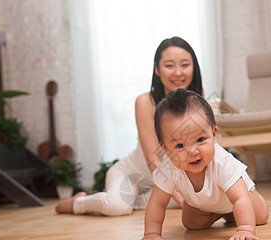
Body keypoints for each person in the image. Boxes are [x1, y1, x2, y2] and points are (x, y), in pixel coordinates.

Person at [55, 36, 203, 216]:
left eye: (185, 65)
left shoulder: (199, 100)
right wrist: (184, 200)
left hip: (168, 180)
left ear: (194, 67)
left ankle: (134, 200)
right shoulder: (145, 102)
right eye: (170, 65)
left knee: (190, 198)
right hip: (133, 174)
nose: (178, 72)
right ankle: (79, 202)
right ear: (157, 68)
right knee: (117, 207)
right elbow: (152, 161)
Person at [129, 89, 269, 240]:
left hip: (241, 196)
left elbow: (240, 198)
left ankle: (235, 213)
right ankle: (222, 212)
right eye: (180, 145)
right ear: (165, 149)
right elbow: (157, 203)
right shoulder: (168, 168)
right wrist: (151, 234)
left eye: (200, 139)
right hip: (207, 204)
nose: (192, 151)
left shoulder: (222, 162)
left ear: (214, 134)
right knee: (191, 223)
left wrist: (245, 229)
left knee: (260, 216)